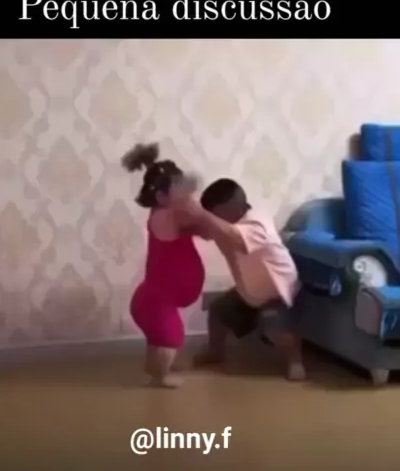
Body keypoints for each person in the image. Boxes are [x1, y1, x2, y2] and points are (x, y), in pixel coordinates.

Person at [178, 178, 306, 381]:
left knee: (274, 323)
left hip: (279, 292)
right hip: (249, 292)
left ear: (237, 208)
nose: (213, 220)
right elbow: (205, 231)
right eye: (211, 214)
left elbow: (235, 237)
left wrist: (201, 214)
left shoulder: (257, 223)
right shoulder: (222, 224)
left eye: (216, 214)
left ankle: (295, 361)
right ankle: (215, 352)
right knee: (217, 310)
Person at [122, 143, 205, 388]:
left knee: (160, 338)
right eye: (180, 191)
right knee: (170, 338)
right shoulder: (163, 217)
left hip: (155, 298)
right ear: (161, 197)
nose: (188, 198)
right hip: (156, 301)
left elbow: (196, 226)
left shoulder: (173, 215)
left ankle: (155, 366)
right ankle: (160, 376)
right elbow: (197, 214)